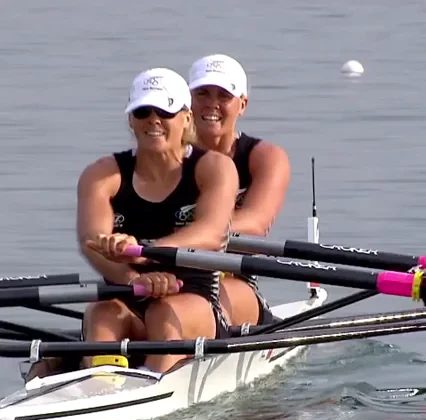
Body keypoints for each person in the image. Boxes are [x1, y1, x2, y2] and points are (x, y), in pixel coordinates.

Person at [28, 67, 239, 379]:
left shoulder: (214, 167)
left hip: (194, 297)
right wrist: (132, 278)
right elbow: (92, 240)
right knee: (102, 314)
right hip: (126, 291)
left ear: (186, 118)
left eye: (165, 111)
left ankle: (151, 384)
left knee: (164, 314)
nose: (153, 120)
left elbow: (212, 233)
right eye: (143, 112)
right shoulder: (102, 174)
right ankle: (99, 384)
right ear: (131, 120)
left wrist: (144, 250)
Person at [188, 53, 291, 329]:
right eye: (202, 93)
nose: (212, 104)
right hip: (169, 276)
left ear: (242, 104)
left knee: (205, 301)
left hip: (233, 279)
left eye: (224, 95)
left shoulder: (265, 157)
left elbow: (256, 224)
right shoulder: (164, 159)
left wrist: (185, 233)